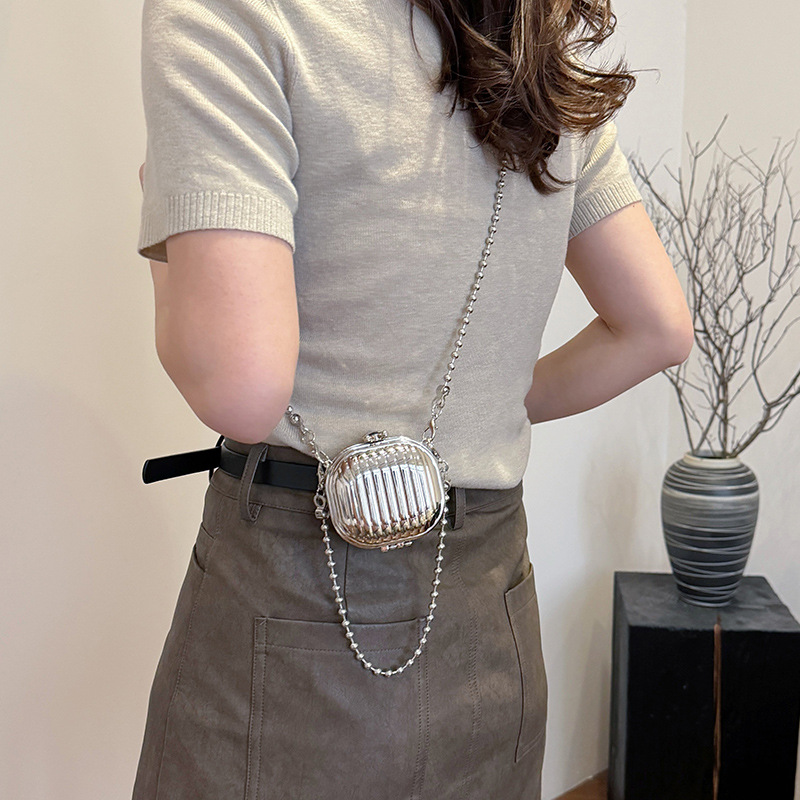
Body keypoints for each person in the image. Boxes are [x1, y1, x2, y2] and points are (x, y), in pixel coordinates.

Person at [130, 0, 694, 798]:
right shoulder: (533, 44)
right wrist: (492, 404)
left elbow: (240, 390)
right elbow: (657, 328)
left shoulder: (234, 13)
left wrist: (165, 251)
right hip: (492, 605)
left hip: (291, 598)